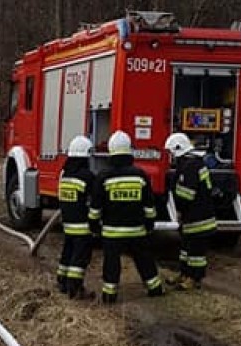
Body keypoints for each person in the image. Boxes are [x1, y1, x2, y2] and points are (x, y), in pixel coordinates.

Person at [88, 130, 163, 305]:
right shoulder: (140, 175)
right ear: (129, 150)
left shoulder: (103, 176)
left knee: (111, 264)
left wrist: (94, 226)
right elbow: (149, 206)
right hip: (137, 230)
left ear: (111, 151)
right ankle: (155, 288)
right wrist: (149, 224)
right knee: (145, 260)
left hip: (112, 233)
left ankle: (109, 295)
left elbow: (95, 207)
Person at [164, 131, 218, 288]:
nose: (171, 156)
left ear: (177, 149)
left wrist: (176, 199)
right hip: (193, 216)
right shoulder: (192, 164)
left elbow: (187, 194)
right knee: (186, 249)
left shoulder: (190, 167)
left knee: (196, 252)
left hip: (199, 218)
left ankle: (194, 279)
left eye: (171, 152)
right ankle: (184, 274)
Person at [56, 135, 94, 299]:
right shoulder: (86, 176)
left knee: (68, 251)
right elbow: (94, 199)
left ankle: (62, 281)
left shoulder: (65, 174)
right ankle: (75, 288)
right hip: (82, 225)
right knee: (80, 257)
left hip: (68, 223)